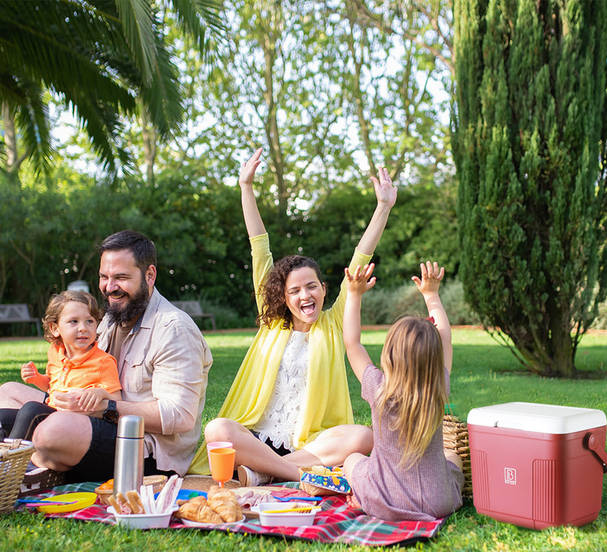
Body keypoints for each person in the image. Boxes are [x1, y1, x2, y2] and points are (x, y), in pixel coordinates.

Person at [188, 147, 397, 485]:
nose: (305, 295)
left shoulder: (333, 324)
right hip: (257, 437)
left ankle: (262, 474)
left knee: (362, 437)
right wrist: (246, 187)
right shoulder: (271, 322)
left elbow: (361, 257)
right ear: (283, 298)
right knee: (218, 429)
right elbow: (259, 246)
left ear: (325, 289)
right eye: (295, 291)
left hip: (310, 445)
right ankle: (295, 475)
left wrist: (383, 207)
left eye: (311, 287)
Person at [2, 230, 213, 482]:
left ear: (149, 275)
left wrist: (107, 408)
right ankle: (36, 459)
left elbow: (180, 417)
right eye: (104, 277)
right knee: (8, 392)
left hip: (143, 449)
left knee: (52, 432)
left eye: (121, 277)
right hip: (92, 418)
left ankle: (31, 465)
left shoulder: (174, 328)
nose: (110, 288)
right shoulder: (112, 319)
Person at [341, 261, 464, 521]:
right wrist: (431, 295)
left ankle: (360, 498)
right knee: (452, 455)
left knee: (352, 460)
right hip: (437, 501)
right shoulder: (437, 386)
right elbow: (445, 337)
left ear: (390, 354)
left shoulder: (378, 388)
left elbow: (352, 344)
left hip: (384, 499)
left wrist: (354, 295)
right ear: (434, 358)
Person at [0, 291, 121, 441]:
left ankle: (12, 459)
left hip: (77, 423)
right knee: (3, 417)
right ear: (55, 328)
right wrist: (36, 378)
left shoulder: (103, 361)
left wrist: (100, 393)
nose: (83, 327)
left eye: (90, 321)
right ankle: (8, 453)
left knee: (31, 410)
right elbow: (52, 386)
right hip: (53, 412)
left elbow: (117, 399)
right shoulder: (55, 352)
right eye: (74, 321)